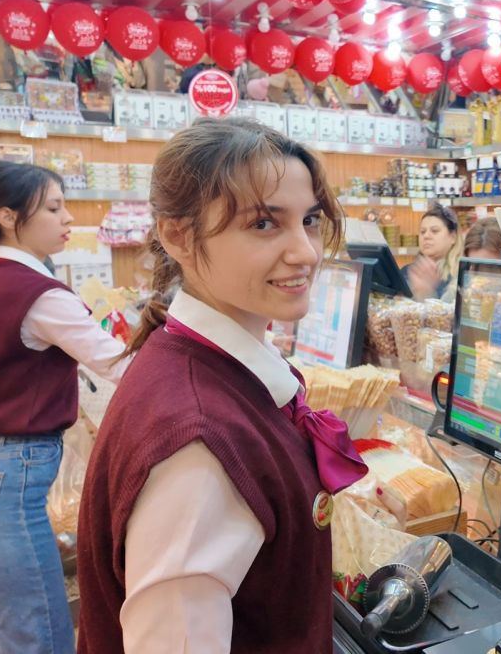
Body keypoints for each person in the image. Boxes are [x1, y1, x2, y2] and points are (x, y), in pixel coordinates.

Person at [76, 118, 367, 652]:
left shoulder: (201, 366)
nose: (304, 251)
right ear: (177, 235)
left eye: (310, 220)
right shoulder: (200, 443)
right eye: (263, 224)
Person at [0, 161, 129, 653]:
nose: (68, 219)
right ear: (10, 217)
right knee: (40, 643)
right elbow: (122, 365)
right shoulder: (39, 294)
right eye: (54, 208)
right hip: (1, 491)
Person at [404, 204, 460, 300]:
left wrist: (425, 292)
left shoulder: (459, 277)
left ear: (453, 237)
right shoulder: (406, 272)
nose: (426, 236)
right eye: (422, 231)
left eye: (434, 231)